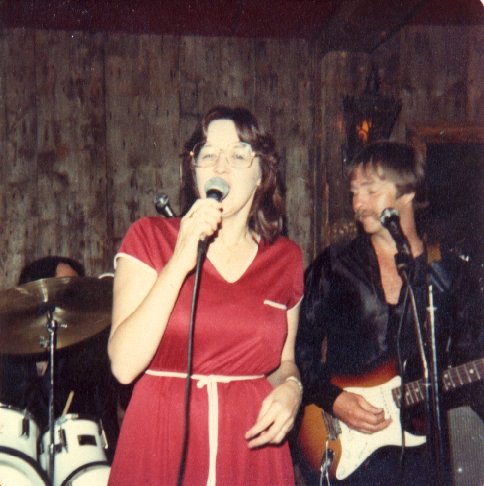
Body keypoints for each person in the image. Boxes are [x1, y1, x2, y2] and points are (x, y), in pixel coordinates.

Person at [107, 106, 304, 485]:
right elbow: (124, 365)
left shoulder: (286, 258)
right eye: (208, 154)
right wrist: (180, 259)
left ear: (261, 173)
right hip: (161, 434)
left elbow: (284, 362)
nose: (220, 166)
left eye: (238, 155)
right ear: (193, 171)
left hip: (251, 446)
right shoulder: (149, 237)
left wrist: (292, 390)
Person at [295, 142, 482, 485]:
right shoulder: (334, 266)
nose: (358, 204)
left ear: (407, 193)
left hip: (426, 451)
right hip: (347, 449)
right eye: (355, 192)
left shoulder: (447, 273)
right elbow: (297, 350)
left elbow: (471, 357)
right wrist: (333, 399)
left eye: (371, 190)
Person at [0, 256, 119, 460]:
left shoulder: (89, 357)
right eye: (65, 290)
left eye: (75, 291)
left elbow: (106, 425)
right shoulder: (7, 358)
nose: (74, 299)